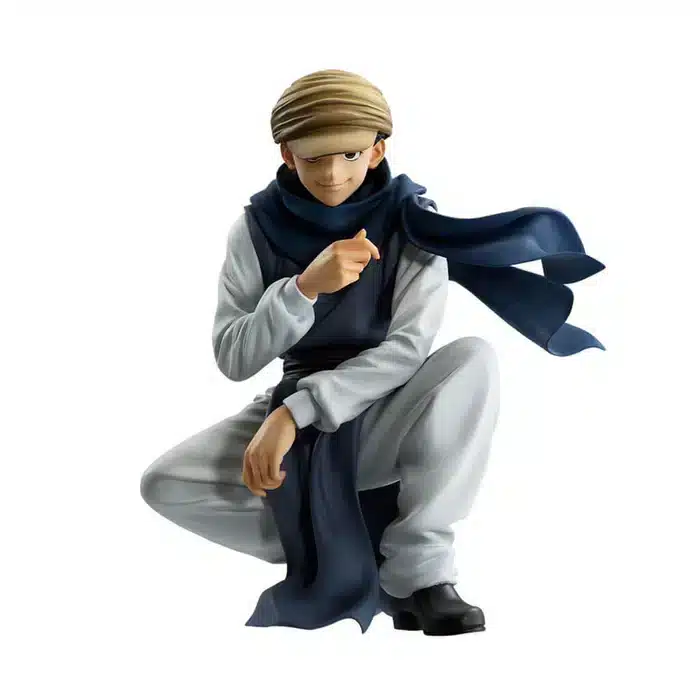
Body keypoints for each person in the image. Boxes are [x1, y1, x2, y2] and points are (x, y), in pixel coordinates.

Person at [140, 69, 603, 636]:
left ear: (378, 149)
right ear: (286, 154)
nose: (332, 174)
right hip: (293, 395)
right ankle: (338, 541)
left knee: (473, 360)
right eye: (313, 158)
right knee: (165, 483)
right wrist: (302, 289)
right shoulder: (254, 228)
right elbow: (233, 357)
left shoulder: (412, 221)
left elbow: (408, 349)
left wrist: (295, 415)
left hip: (385, 404)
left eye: (351, 154)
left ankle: (422, 571)